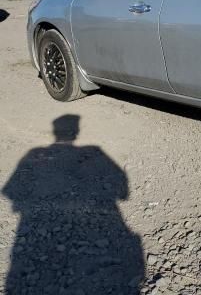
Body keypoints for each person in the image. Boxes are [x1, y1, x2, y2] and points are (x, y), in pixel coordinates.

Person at [2, 114, 144, 294]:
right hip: (103, 224)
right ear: (76, 131)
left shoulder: (36, 153)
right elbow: (123, 192)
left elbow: (11, 192)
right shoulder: (95, 150)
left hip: (37, 228)